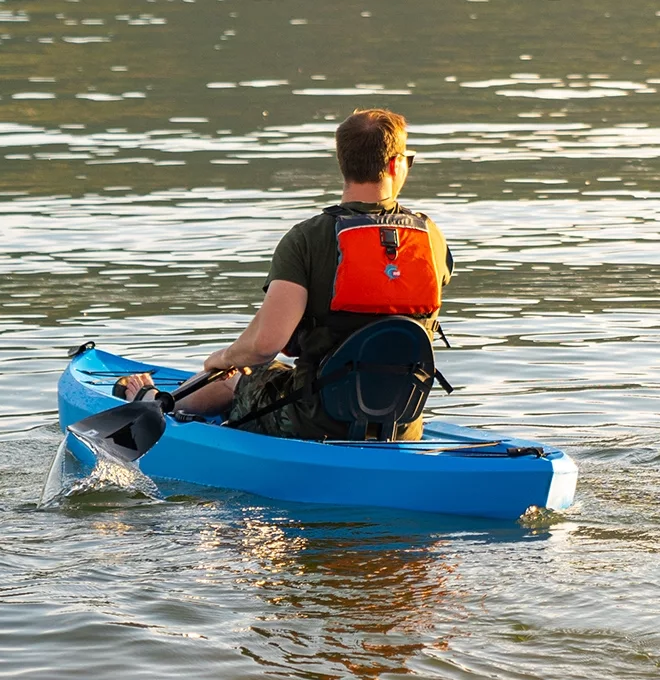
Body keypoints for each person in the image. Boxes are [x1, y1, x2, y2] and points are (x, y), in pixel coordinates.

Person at [119, 107, 452, 439]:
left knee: (241, 376)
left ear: (342, 163)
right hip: (402, 425)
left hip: (312, 424)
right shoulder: (432, 238)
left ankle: (149, 399)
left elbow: (266, 345)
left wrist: (222, 359)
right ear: (395, 165)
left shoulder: (307, 238)